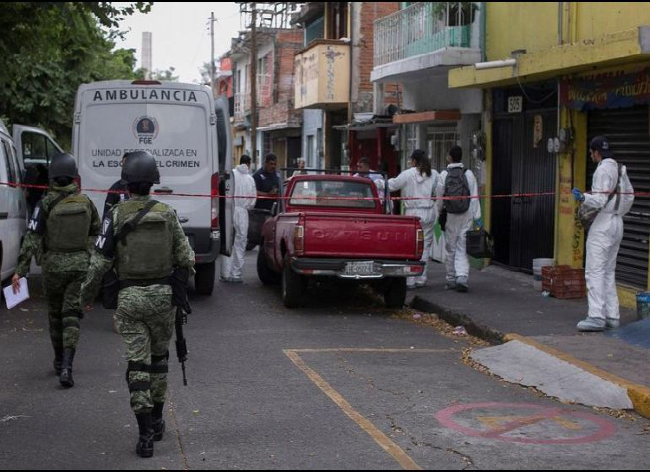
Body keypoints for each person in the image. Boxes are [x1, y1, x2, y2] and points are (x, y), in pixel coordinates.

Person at [79, 151, 195, 458]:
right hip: (163, 299)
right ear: (153, 183)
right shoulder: (168, 214)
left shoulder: (115, 215)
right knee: (159, 362)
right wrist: (178, 293)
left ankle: (144, 434)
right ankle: (157, 419)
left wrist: (85, 297)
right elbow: (187, 260)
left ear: (126, 183)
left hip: (130, 301)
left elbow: (99, 262)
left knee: (137, 365)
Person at [12, 152, 100, 388]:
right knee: (71, 314)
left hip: (52, 267)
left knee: (55, 315)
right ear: (73, 176)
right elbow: (97, 232)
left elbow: (32, 237)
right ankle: (68, 366)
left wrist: (20, 270)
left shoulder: (45, 203)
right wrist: (89, 257)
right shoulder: (86, 202)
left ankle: (59, 359)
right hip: (79, 266)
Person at [572, 136, 624, 332]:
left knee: (594, 271)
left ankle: (596, 316)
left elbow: (600, 201)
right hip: (617, 222)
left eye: (592, 153)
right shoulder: (617, 168)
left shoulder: (602, 169)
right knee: (608, 272)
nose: (591, 156)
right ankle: (612, 315)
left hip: (603, 224)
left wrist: (583, 197)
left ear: (596, 152)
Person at [384, 149, 439, 289]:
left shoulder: (408, 174)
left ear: (414, 161)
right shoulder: (434, 174)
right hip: (429, 212)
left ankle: (410, 281)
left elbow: (392, 185)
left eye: (410, 160)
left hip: (413, 214)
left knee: (410, 248)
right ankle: (421, 278)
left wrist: (376, 182)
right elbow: (439, 192)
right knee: (425, 247)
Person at [436, 146, 481, 293]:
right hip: (466, 214)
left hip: (451, 215)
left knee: (451, 247)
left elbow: (439, 198)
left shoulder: (444, 175)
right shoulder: (469, 174)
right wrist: (477, 218)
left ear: (449, 157)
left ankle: (450, 278)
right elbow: (474, 197)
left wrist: (437, 213)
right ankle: (462, 277)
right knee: (462, 246)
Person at [220, 155, 257, 283]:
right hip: (242, 212)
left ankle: (225, 273)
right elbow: (253, 201)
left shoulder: (231, 175)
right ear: (249, 164)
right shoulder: (250, 179)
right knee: (240, 244)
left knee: (227, 242)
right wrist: (246, 206)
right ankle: (236, 274)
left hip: (229, 210)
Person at [103, 153, 132, 219]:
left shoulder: (140, 186)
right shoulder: (115, 188)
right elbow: (106, 216)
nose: (124, 167)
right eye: (123, 164)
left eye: (127, 164)